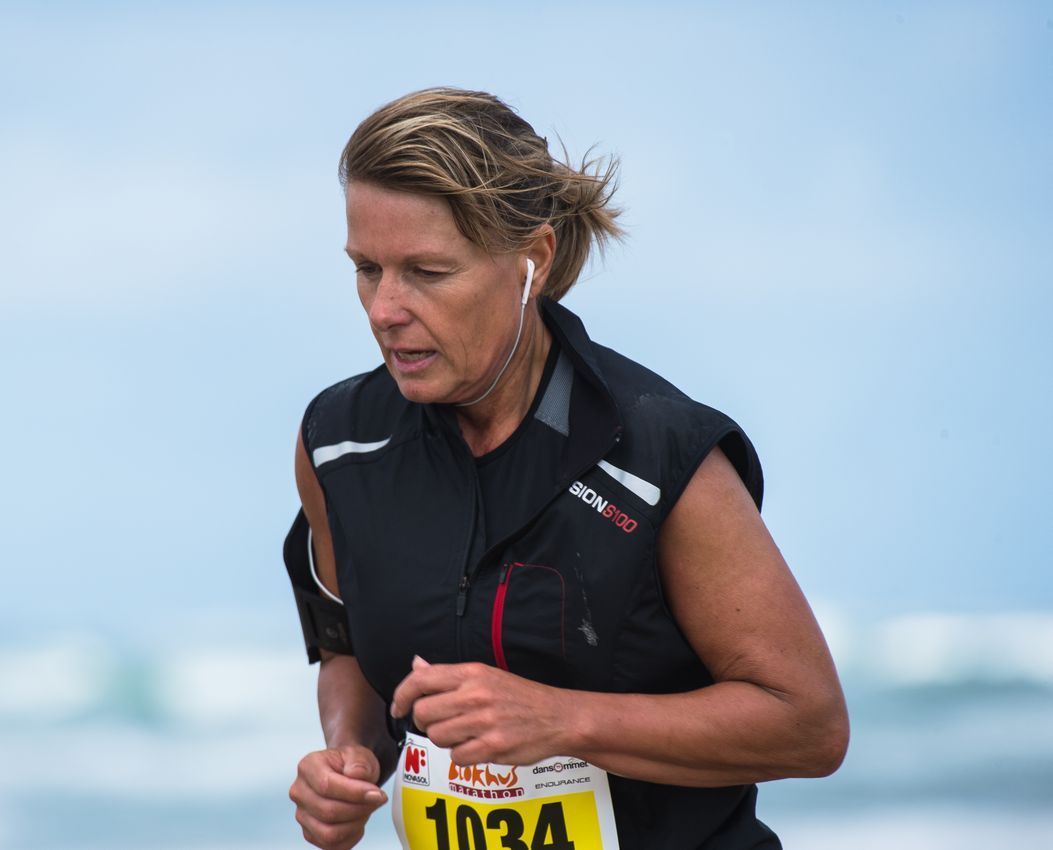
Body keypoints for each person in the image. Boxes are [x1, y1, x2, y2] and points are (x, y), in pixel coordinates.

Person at [284, 87, 848, 850]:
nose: (384, 308)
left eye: (427, 271)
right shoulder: (338, 445)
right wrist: (349, 757)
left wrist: (561, 719)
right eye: (366, 268)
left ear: (534, 260)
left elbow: (808, 725)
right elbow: (348, 647)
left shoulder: (658, 458)